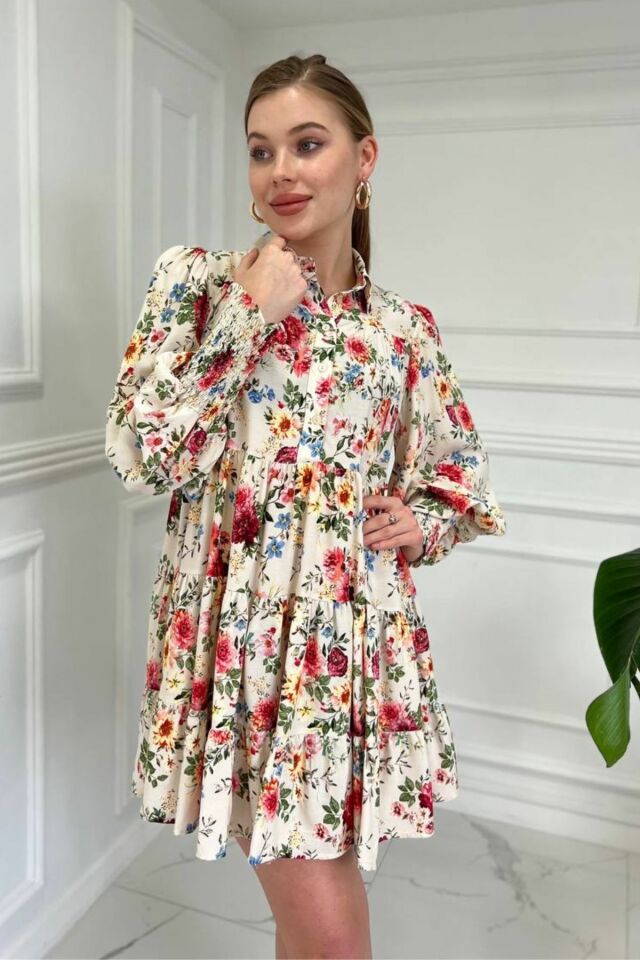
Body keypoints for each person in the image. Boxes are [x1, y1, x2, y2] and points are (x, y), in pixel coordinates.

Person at [105, 53, 507, 960]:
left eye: (307, 144)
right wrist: (248, 315)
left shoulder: (402, 330)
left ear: (365, 159)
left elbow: (460, 473)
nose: (280, 171)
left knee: (310, 931)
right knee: (333, 938)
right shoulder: (199, 284)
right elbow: (143, 452)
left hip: (348, 652)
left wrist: (426, 519)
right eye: (261, 150)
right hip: (236, 646)